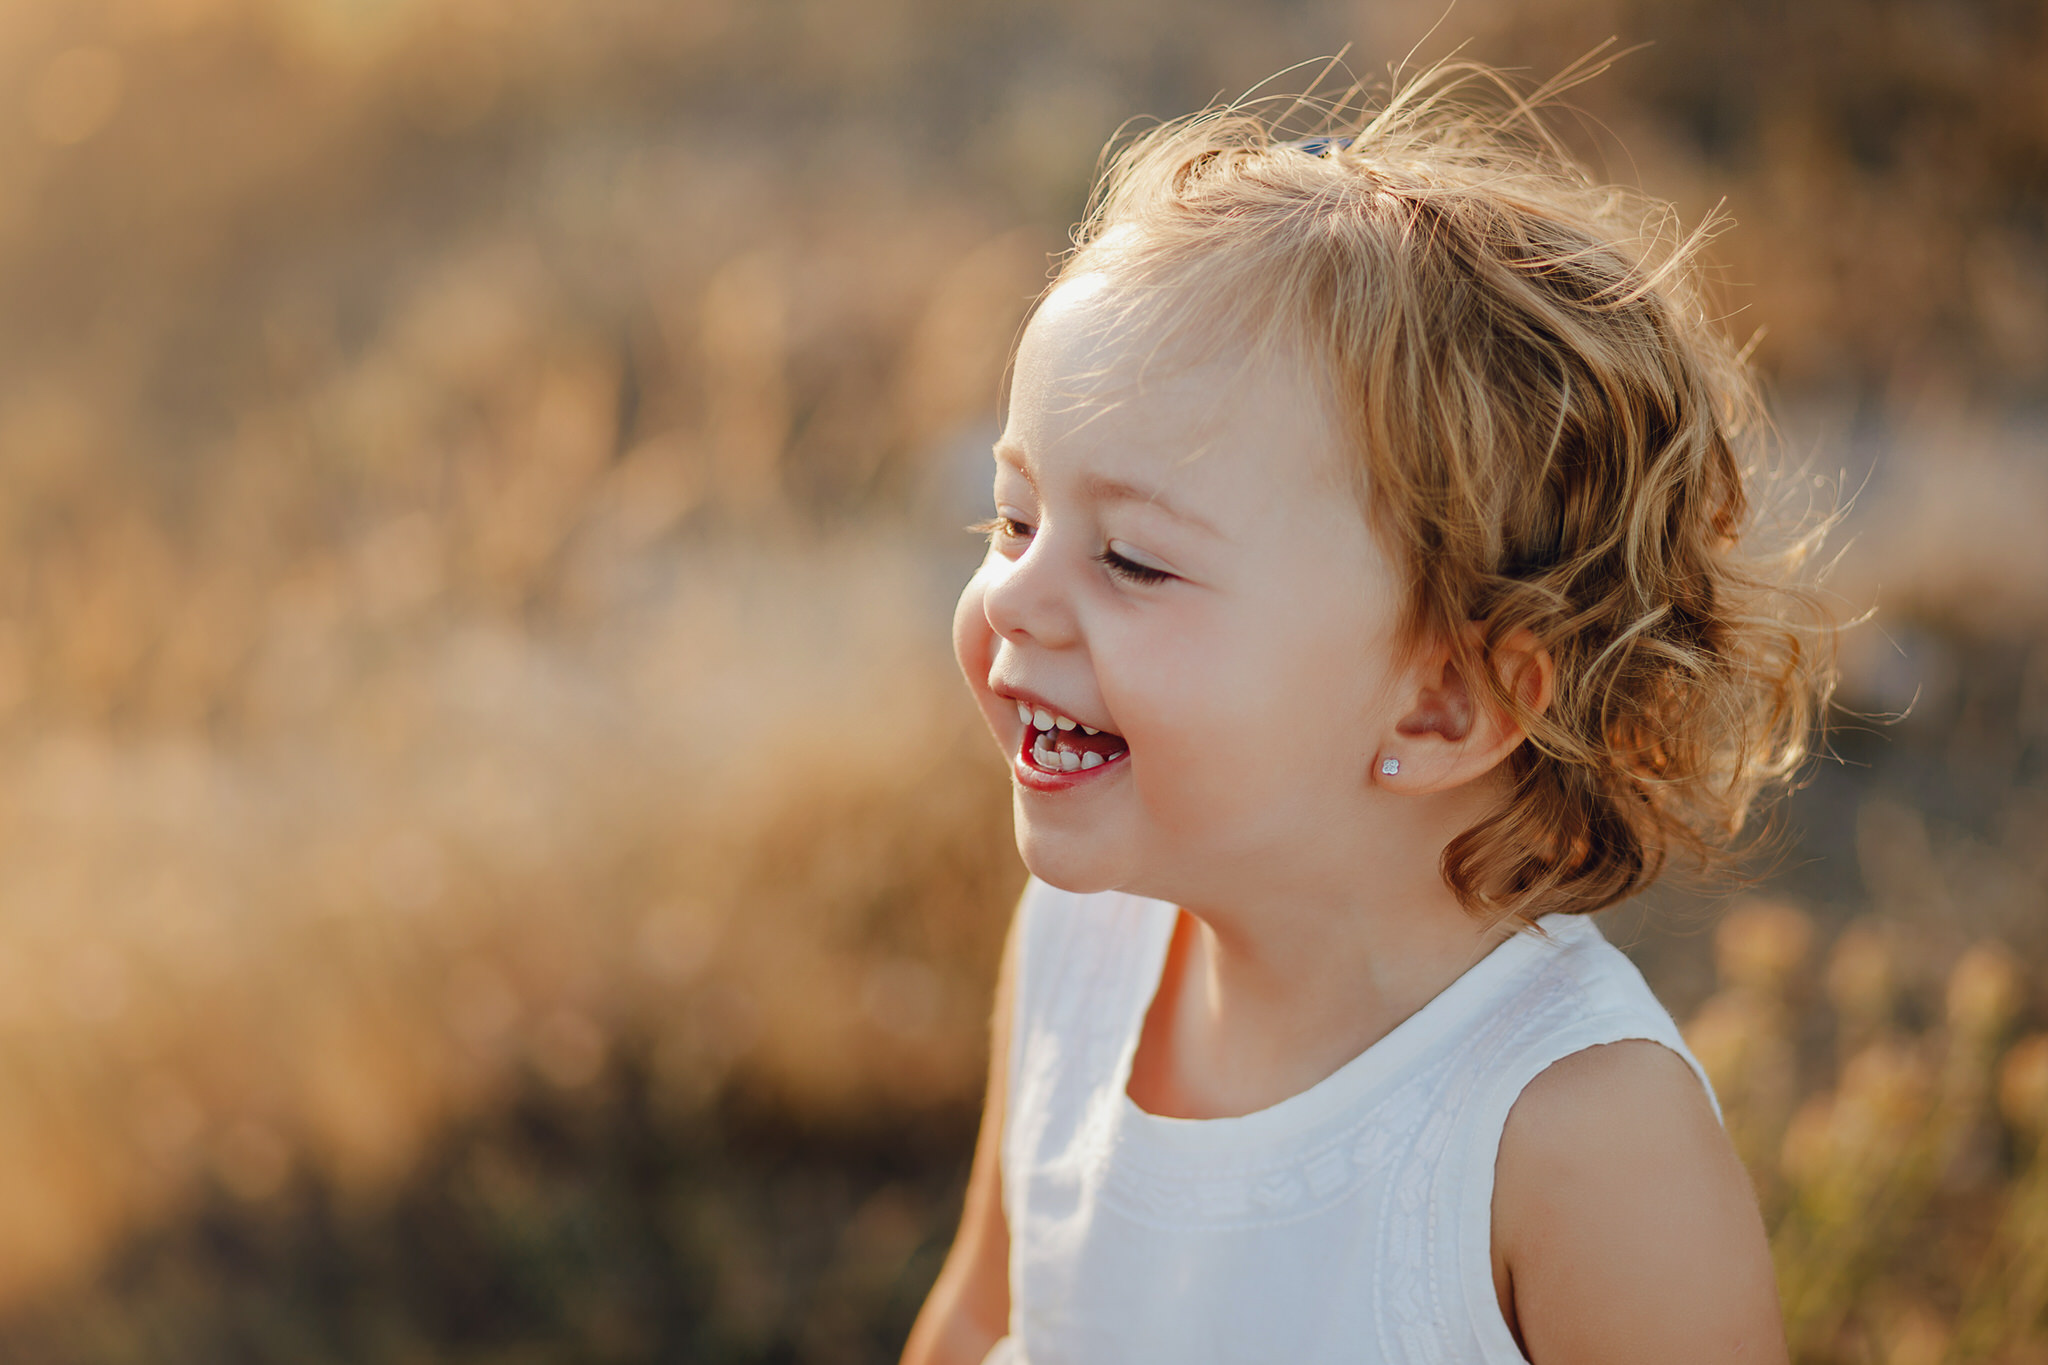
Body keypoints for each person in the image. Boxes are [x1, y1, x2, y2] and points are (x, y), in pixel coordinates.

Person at [903, 59, 1833, 1365]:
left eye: (1134, 560)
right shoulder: (1080, 945)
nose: (1014, 597)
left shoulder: (1577, 1139)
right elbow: (988, 1317)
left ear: (1445, 701)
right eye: (1013, 515)